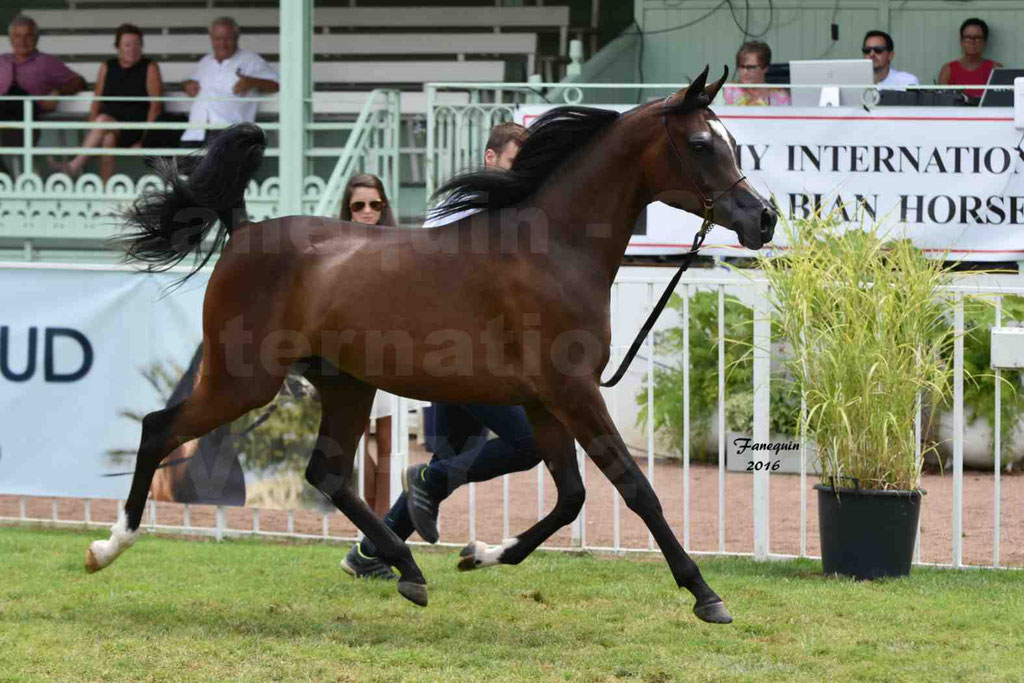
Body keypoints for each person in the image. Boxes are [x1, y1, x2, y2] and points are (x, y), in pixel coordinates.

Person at [341, 122, 545, 581]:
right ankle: (421, 489)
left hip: (463, 349)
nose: (523, 174)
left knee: (453, 456)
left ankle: (369, 553)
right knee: (527, 445)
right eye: (515, 162)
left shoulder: (496, 204)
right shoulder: (469, 200)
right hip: (459, 352)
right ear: (491, 159)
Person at [339, 173, 400, 518]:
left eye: (375, 204)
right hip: (350, 353)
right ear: (348, 209)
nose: (367, 211)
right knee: (357, 441)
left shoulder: (397, 244)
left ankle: (383, 522)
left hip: (391, 350)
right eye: (358, 205)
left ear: (384, 206)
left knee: (390, 443)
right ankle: (372, 523)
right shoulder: (337, 246)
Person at [52, 23, 162, 180]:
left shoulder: (150, 67)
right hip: (108, 127)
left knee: (103, 120)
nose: (133, 49)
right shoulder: (107, 66)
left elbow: (156, 106)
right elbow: (97, 101)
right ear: (118, 47)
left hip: (135, 128)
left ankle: (74, 165)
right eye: (127, 45)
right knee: (107, 137)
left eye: (137, 44)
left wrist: (145, 138)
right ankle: (106, 189)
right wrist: (92, 127)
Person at [0, 15, 86, 172]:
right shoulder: (2, 61)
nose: (22, 40)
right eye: (17, 36)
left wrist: (58, 92)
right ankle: (6, 174)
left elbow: (79, 82)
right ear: (11, 39)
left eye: (28, 35)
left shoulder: (46, 62)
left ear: (36, 38)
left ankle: (10, 175)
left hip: (27, 113)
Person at [180, 17, 278, 147]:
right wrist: (186, 85)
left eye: (227, 38)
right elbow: (191, 81)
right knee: (183, 167)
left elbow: (276, 85)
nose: (222, 44)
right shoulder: (206, 61)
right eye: (217, 39)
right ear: (211, 39)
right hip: (196, 131)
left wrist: (252, 82)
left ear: (237, 38)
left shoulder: (250, 59)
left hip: (230, 133)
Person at [938, 18, 1001, 101]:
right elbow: (943, 102)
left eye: (977, 37)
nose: (972, 41)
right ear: (961, 40)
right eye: (968, 37)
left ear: (985, 41)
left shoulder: (995, 68)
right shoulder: (948, 70)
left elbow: (999, 100)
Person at [722, 41, 789, 106]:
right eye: (742, 67)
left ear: (765, 68)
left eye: (751, 67)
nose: (745, 72)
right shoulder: (728, 91)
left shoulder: (780, 97)